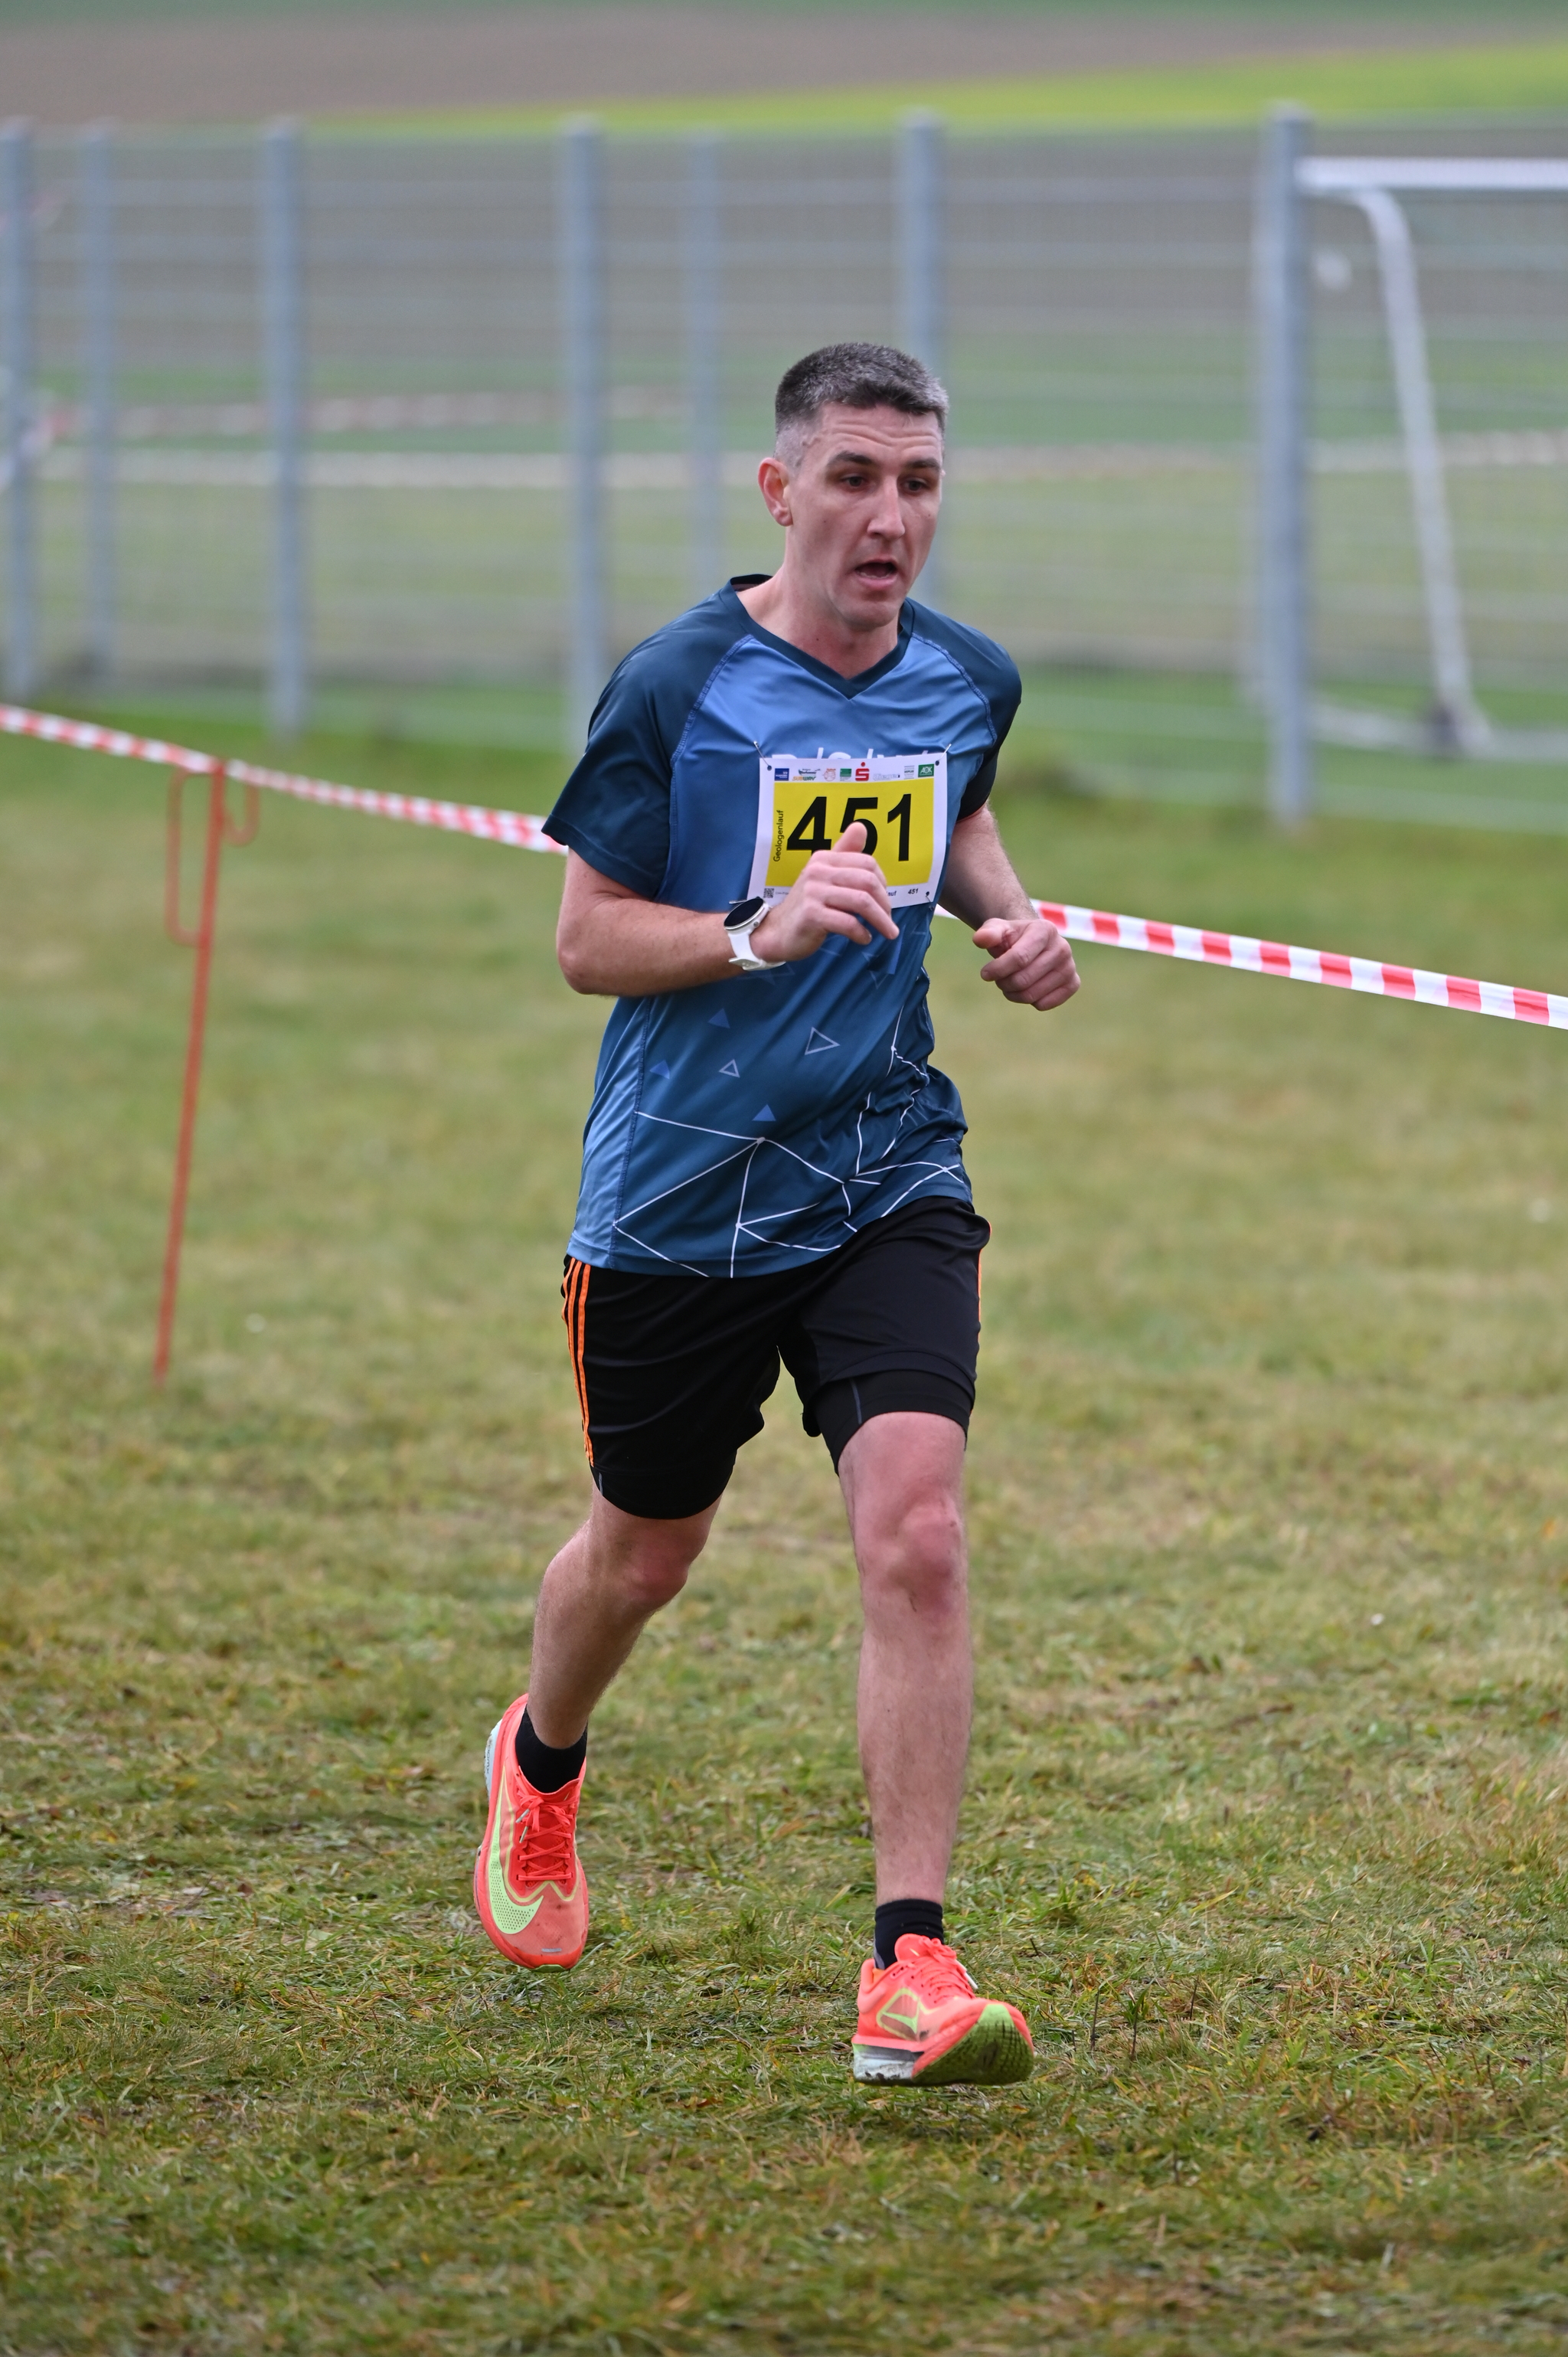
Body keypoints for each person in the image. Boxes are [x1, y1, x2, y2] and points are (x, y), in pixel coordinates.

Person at [474, 342, 1080, 2087]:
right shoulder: (679, 684)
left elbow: (955, 811)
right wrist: (757, 927)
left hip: (884, 1161)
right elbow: (586, 938)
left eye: (920, 483)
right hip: (679, 1194)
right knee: (643, 1556)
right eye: (856, 480)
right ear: (780, 489)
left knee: (918, 1530)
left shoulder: (966, 676)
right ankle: (540, 1758)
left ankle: (910, 1966)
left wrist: (1011, 919)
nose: (891, 518)